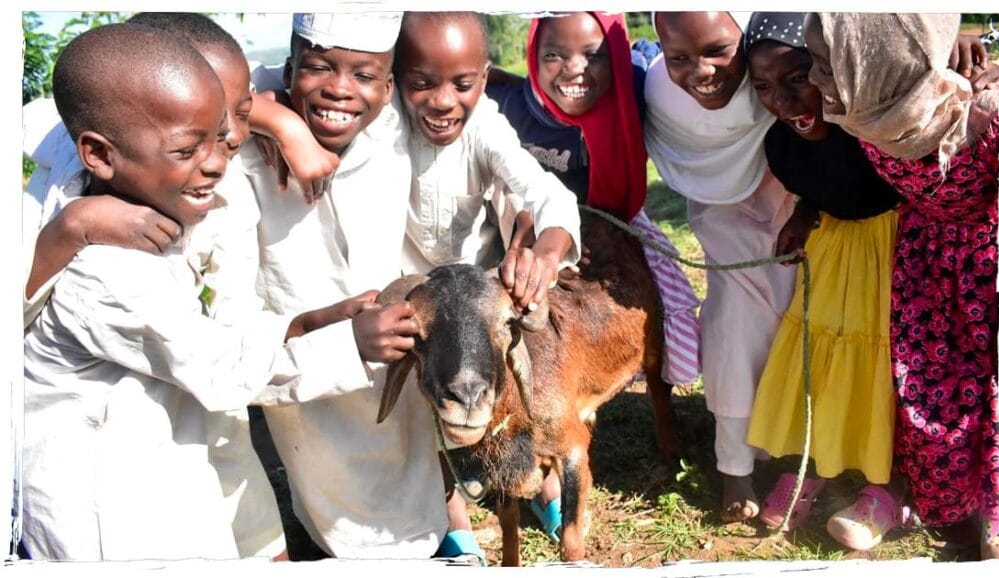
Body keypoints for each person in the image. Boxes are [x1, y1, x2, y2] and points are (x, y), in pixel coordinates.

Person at [21, 22, 367, 561]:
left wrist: (314, 322)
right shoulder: (109, 273)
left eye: (228, 128)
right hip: (102, 508)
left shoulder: (136, 183)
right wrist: (352, 345)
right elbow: (222, 370)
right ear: (97, 153)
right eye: (191, 145)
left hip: (159, 451)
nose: (219, 158)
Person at [229, 12, 449, 559]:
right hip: (302, 336)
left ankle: (436, 535)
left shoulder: (399, 119)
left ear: (390, 83)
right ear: (287, 69)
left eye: (365, 74)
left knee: (405, 439)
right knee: (325, 462)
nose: (339, 89)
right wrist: (281, 126)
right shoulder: (247, 135)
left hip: (386, 324)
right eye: (320, 67)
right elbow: (201, 88)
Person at [486, 11, 700, 542]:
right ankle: (530, 436)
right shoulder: (513, 105)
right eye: (553, 55)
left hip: (614, 223)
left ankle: (663, 400)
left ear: (618, 55)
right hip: (528, 235)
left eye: (593, 54)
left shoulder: (632, 92)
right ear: (533, 56)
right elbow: (477, 74)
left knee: (669, 303)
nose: (573, 70)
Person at [805, 12, 999, 560]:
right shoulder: (864, 116)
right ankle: (943, 508)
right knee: (925, 386)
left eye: (825, 66)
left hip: (993, 268)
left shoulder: (985, 118)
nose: (814, 78)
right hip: (924, 266)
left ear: (879, 60)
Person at [393, 11, 582, 563]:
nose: (442, 101)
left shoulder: (486, 126)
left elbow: (545, 192)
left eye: (463, 83)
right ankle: (452, 518)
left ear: (485, 76)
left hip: (480, 283)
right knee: (429, 398)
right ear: (394, 79)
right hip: (416, 290)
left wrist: (546, 252)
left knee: (504, 387)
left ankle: (541, 486)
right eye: (421, 82)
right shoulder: (382, 127)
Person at [738, 12, 903, 547]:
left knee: (886, 361)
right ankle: (820, 464)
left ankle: (890, 487)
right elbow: (826, 187)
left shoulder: (874, 125)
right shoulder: (782, 147)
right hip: (837, 248)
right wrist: (805, 214)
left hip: (896, 248)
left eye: (797, 78)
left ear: (834, 69)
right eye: (763, 86)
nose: (783, 102)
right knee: (822, 357)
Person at [644, 11, 797, 523]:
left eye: (718, 50)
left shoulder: (779, 68)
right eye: (679, 57)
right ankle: (734, 466)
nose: (701, 71)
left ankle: (793, 445)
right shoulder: (660, 97)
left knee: (797, 323)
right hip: (722, 216)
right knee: (734, 326)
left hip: (793, 203)